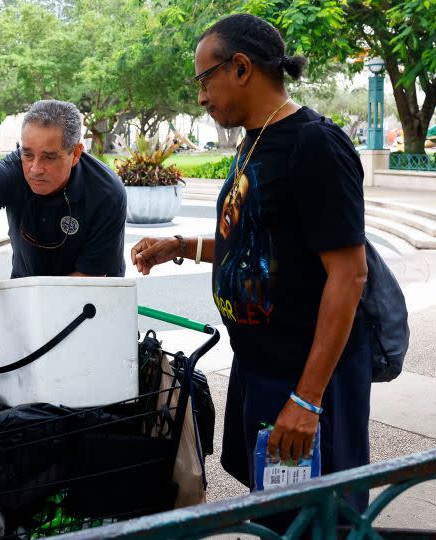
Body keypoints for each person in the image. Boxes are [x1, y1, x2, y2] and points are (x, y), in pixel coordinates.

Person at [130, 13, 370, 515]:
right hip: (259, 366)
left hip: (307, 376)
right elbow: (257, 243)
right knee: (275, 511)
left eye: (204, 79)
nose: (200, 96)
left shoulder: (314, 145)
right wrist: (181, 246)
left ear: (241, 68)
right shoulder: (253, 142)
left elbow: (349, 274)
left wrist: (307, 400)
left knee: (319, 519)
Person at [0, 100, 126, 280]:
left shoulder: (106, 191)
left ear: (76, 153)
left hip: (93, 300)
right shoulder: (10, 169)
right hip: (26, 292)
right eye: (27, 154)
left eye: (49, 157)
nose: (35, 168)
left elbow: (90, 278)